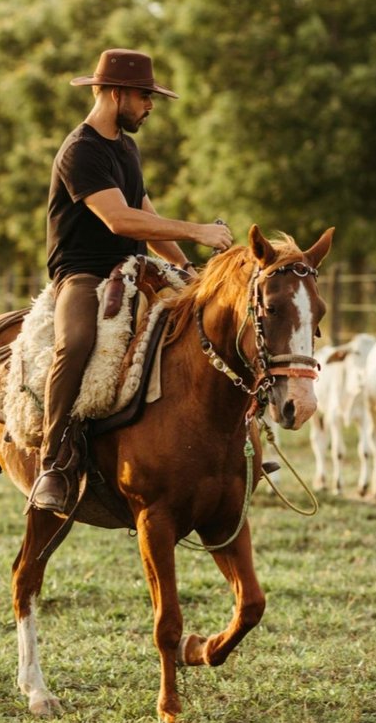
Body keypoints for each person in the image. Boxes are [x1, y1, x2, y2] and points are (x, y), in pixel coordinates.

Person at [29, 48, 234, 514]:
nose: (151, 106)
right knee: (76, 342)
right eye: (146, 96)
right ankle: (54, 461)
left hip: (134, 271)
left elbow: (144, 212)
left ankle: (233, 448)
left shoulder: (126, 145)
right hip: (83, 274)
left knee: (213, 325)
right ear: (117, 93)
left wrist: (187, 270)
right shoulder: (79, 150)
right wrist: (197, 230)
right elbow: (120, 221)